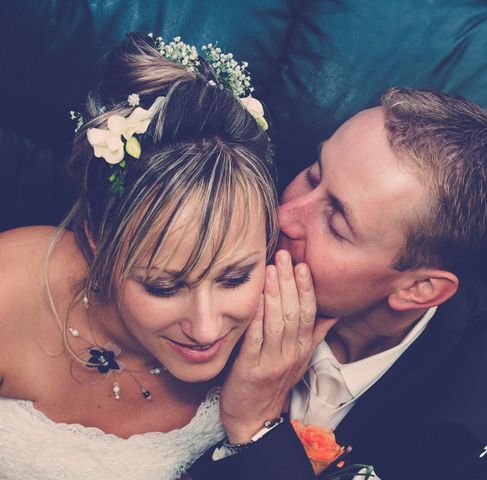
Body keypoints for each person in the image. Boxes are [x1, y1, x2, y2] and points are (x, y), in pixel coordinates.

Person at [0, 33, 332, 480]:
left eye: (234, 278)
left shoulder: (281, 333)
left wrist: (257, 423)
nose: (207, 328)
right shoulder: (10, 291)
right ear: (97, 242)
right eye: (164, 286)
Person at [189, 88, 487, 479]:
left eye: (335, 225)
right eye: (314, 173)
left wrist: (257, 428)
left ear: (420, 288)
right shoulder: (251, 218)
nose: (284, 215)